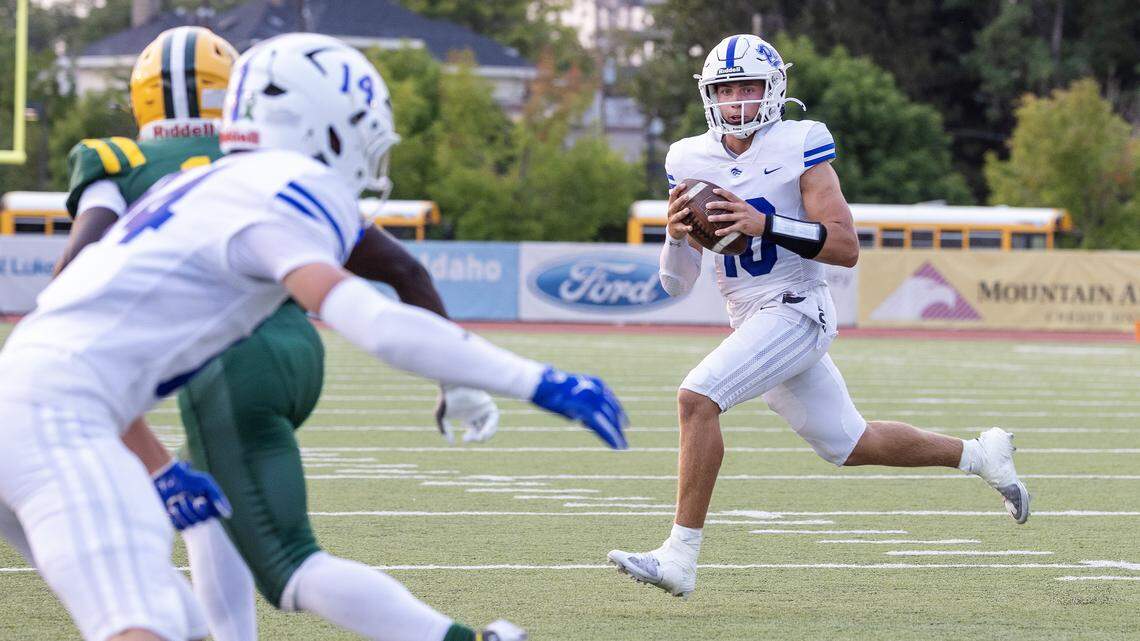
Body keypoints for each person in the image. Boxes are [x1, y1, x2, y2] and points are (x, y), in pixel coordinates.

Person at [0, 32, 626, 641]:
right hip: (59, 422)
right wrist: (538, 381)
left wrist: (161, 469)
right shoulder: (282, 189)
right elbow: (375, 322)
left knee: (186, 628)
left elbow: (76, 352)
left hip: (31, 403)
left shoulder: (200, 185)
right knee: (142, 627)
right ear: (318, 123)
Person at [607, 34, 1028, 599]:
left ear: (774, 88)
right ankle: (982, 455)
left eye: (748, 87)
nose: (736, 102)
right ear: (709, 95)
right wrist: (676, 235)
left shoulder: (801, 141)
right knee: (852, 443)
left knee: (696, 398)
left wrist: (766, 224)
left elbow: (846, 246)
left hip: (798, 308)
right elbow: (675, 282)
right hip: (751, 317)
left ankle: (679, 557)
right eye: (725, 90)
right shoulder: (686, 157)